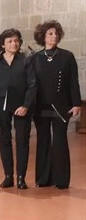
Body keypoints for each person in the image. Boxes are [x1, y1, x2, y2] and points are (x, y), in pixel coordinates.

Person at [30, 20, 81, 190]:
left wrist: (76, 103)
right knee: (43, 141)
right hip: (41, 107)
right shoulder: (35, 58)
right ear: (43, 37)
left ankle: (62, 180)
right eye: (50, 33)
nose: (54, 36)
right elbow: (32, 84)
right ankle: (43, 178)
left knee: (59, 141)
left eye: (56, 33)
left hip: (61, 106)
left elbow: (73, 82)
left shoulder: (67, 56)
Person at [0, 29, 36, 190]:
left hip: (21, 106)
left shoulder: (26, 60)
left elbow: (33, 85)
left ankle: (21, 177)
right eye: (10, 41)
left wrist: (26, 105)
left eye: (16, 41)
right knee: (4, 141)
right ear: (2, 44)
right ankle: (8, 176)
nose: (14, 44)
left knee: (22, 141)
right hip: (1, 106)